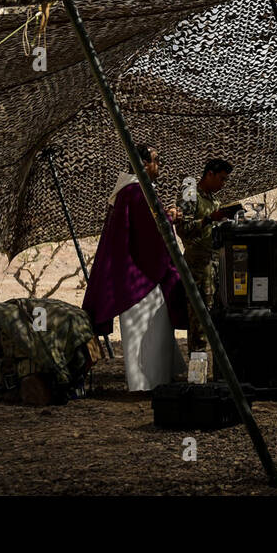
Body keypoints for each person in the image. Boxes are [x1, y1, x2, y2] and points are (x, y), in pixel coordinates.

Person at [81, 143, 185, 392]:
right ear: (143, 164)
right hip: (141, 277)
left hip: (137, 276)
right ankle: (145, 385)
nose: (158, 166)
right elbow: (151, 228)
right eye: (155, 160)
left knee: (154, 332)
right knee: (146, 335)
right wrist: (170, 217)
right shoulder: (136, 192)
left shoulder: (132, 192)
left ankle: (155, 381)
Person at [174, 158, 235, 353]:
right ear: (209, 174)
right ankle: (196, 374)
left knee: (214, 319)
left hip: (215, 266)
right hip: (197, 267)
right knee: (199, 323)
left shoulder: (213, 200)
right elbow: (183, 229)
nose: (223, 184)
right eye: (221, 179)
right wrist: (209, 219)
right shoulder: (190, 195)